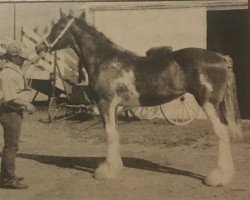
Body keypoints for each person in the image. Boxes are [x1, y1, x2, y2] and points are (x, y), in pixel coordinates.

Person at [0, 41, 35, 189]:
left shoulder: (13, 69)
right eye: (21, 58)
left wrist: (33, 61)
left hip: (14, 111)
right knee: (11, 146)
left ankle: (7, 174)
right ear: (13, 57)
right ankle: (8, 179)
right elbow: (10, 97)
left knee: (11, 145)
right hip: (10, 111)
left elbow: (22, 72)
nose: (23, 60)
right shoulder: (7, 73)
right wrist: (27, 104)